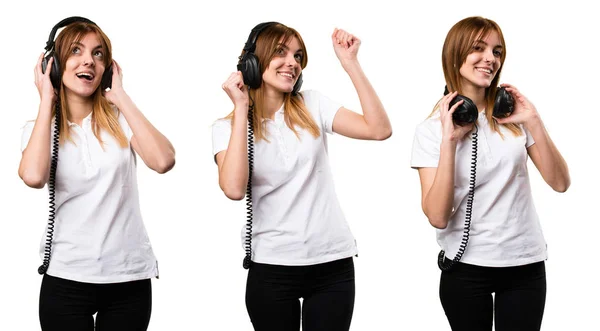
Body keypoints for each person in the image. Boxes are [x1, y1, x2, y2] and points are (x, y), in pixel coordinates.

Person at [212, 22, 391, 331]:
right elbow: (233, 188)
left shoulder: (312, 104)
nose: (292, 62)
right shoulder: (226, 128)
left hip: (332, 263)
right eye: (280, 52)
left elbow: (379, 129)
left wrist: (351, 64)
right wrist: (242, 108)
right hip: (271, 268)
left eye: (297, 56)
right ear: (251, 63)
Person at [410, 16, 570, 331]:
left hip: (524, 262)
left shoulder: (514, 118)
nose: (490, 59)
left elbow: (561, 183)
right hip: (466, 268)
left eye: (497, 51)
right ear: (456, 56)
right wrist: (449, 141)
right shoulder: (430, 131)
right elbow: (438, 217)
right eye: (479, 48)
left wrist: (534, 120)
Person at [18, 17, 175, 331]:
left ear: (107, 68)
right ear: (55, 65)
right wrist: (46, 99)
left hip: (128, 278)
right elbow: (34, 177)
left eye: (98, 53)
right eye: (76, 51)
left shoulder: (122, 120)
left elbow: (163, 160)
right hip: (66, 278)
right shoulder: (38, 130)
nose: (88, 59)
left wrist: (120, 96)